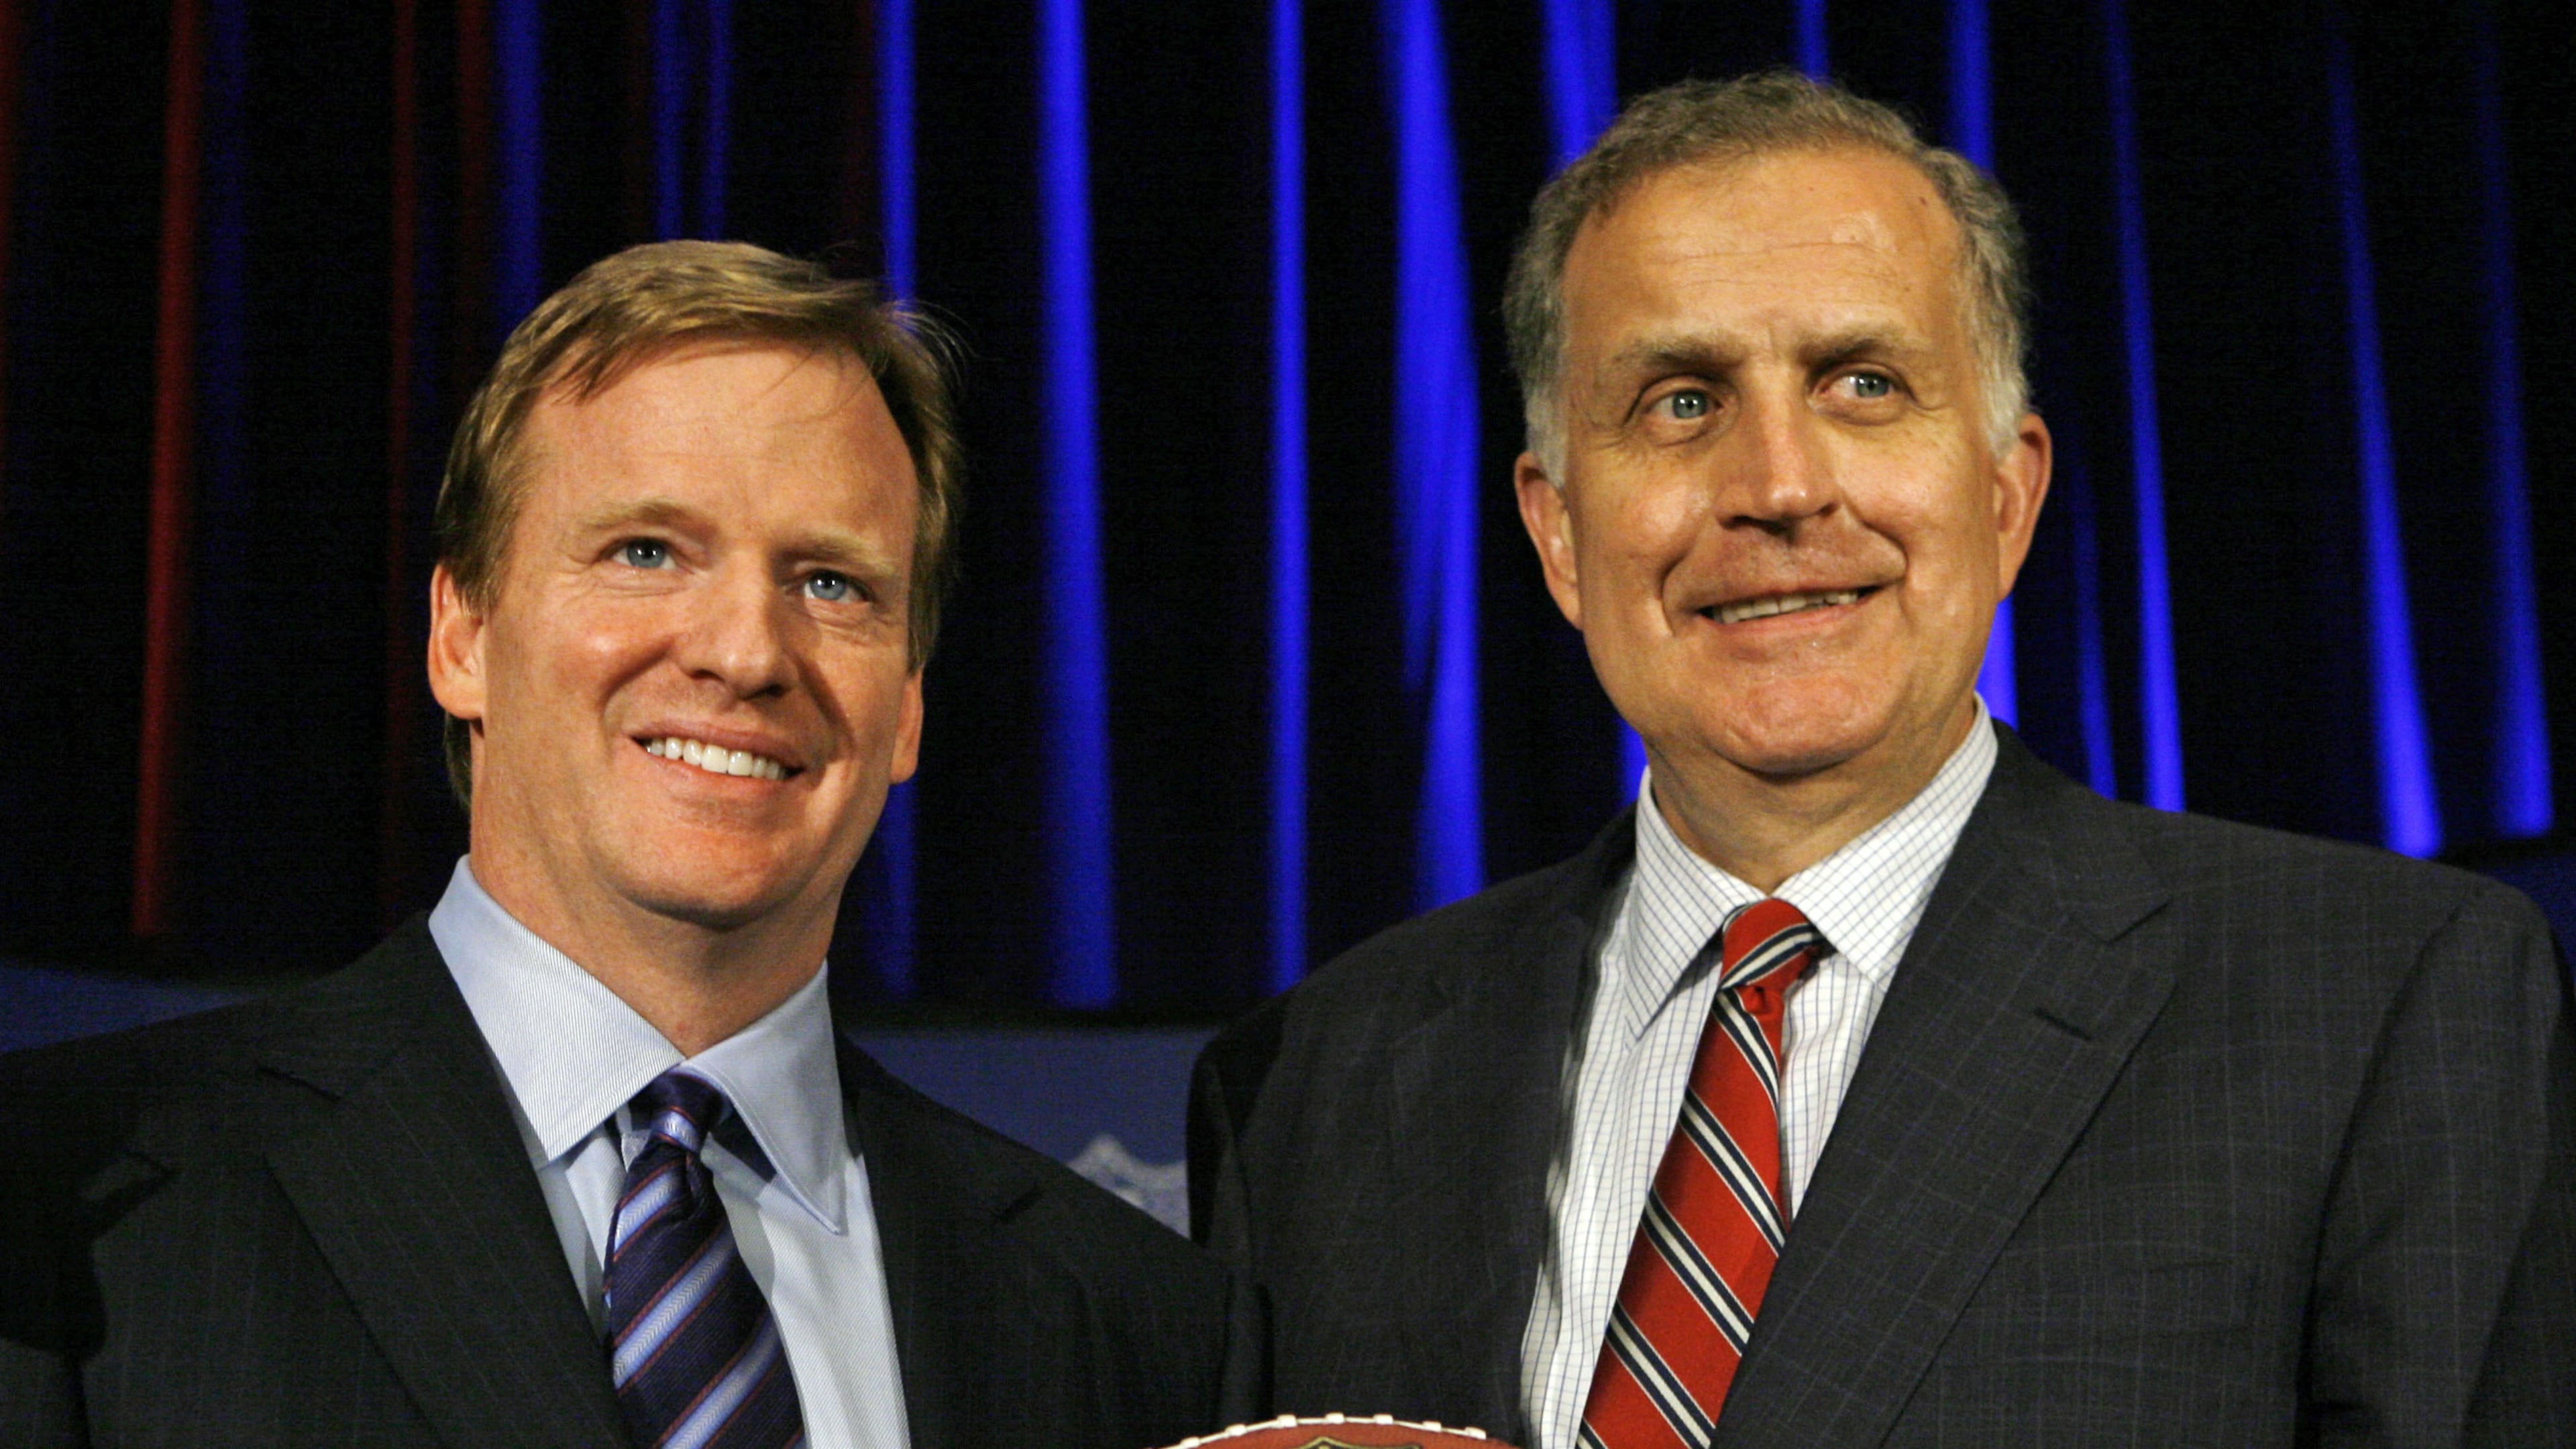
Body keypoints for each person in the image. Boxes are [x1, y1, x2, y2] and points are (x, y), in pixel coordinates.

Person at [1190, 73, 2575, 1448]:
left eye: (1865, 383)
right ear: (1557, 530)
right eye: (1680, 401)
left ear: (2007, 492)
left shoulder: (2386, 1004)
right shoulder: (1312, 1087)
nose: (1781, 485)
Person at [0, 241, 1247, 1448]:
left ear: (909, 703)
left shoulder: (1136, 1325)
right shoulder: (62, 1213)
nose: (747, 653)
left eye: (832, 584)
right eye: (646, 552)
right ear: (463, 634)